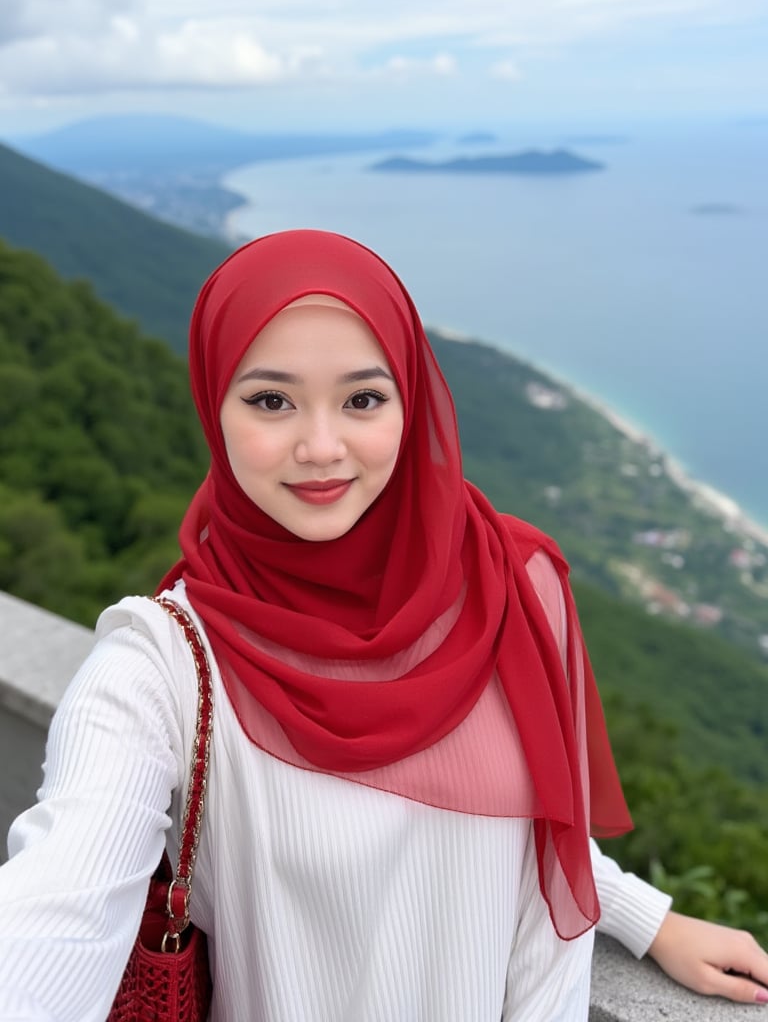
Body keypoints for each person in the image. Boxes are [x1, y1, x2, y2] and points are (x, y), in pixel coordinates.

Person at [0, 229, 766, 1019]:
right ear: (212, 408)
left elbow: (527, 833)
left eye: (363, 399)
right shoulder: (160, 662)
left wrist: (643, 916)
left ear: (411, 400)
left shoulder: (517, 585)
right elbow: (59, 908)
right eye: (271, 400)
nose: (322, 447)